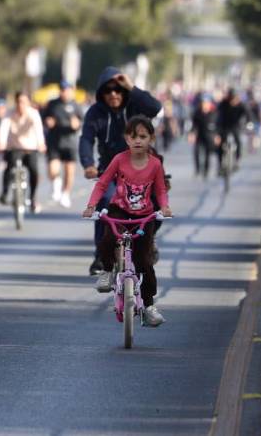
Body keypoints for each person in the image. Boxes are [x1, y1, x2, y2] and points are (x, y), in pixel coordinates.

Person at [82, 116, 172, 327]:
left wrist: (164, 207)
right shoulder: (119, 160)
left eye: (143, 136)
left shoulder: (155, 164)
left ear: (151, 138)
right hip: (120, 211)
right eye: (133, 136)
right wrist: (91, 206)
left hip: (144, 216)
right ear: (126, 139)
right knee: (107, 241)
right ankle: (107, 271)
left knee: (145, 262)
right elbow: (102, 184)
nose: (138, 140)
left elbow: (160, 189)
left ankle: (149, 307)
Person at [79, 67, 162, 275]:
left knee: (157, 205)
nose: (113, 94)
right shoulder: (95, 112)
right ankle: (101, 257)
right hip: (110, 171)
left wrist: (131, 88)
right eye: (108, 90)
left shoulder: (136, 106)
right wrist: (88, 164)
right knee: (105, 203)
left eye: (118, 89)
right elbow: (86, 139)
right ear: (101, 93)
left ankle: (149, 239)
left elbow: (155, 108)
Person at [0, 92, 46, 213]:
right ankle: (5, 193)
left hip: (30, 147)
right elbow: (3, 128)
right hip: (14, 147)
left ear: (28, 103)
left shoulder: (33, 114)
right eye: (19, 102)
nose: (21, 105)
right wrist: (1, 142)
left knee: (34, 171)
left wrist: (41, 143)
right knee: (9, 167)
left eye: (24, 102)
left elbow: (38, 129)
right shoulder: (9, 113)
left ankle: (33, 198)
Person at [43, 80, 81, 208]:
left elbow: (81, 121)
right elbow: (44, 118)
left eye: (66, 90)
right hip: (54, 141)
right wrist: (48, 122)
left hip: (70, 142)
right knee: (53, 169)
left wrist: (77, 124)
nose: (64, 92)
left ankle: (66, 194)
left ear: (71, 90)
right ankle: (56, 182)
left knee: (69, 171)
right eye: (62, 90)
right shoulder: (52, 104)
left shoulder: (75, 105)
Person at [216, 88, 249, 173]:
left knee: (238, 142)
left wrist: (249, 122)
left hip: (235, 126)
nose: (233, 100)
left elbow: (248, 114)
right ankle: (220, 163)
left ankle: (237, 160)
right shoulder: (223, 103)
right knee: (221, 144)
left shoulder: (241, 105)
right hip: (225, 126)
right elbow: (217, 114)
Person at [190, 94, 218, 179]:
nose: (204, 105)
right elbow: (194, 125)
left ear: (209, 104)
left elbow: (217, 126)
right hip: (200, 135)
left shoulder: (214, 113)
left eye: (206, 103)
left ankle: (206, 171)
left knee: (207, 154)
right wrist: (192, 134)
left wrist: (217, 136)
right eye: (203, 103)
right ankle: (198, 169)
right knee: (196, 152)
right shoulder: (197, 113)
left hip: (209, 136)